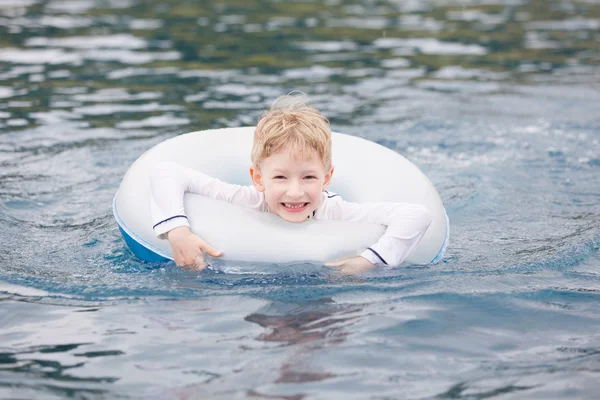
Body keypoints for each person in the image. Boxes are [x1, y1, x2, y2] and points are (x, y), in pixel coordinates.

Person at [150, 93, 432, 274]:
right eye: (281, 177)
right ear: (258, 179)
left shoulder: (336, 212)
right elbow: (166, 172)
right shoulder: (247, 200)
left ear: (327, 178)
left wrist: (369, 260)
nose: (295, 192)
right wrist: (178, 231)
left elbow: (416, 215)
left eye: (309, 177)